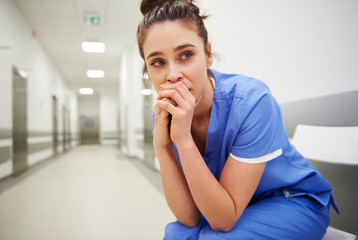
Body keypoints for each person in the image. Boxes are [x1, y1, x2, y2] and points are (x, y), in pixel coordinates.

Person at [136, 0, 338, 239]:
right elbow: (189, 217)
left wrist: (183, 140)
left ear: (208, 54)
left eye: (186, 55)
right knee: (178, 235)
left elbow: (222, 221)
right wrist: (162, 147)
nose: (172, 75)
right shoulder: (164, 116)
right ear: (148, 71)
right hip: (231, 206)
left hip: (290, 201)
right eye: (158, 62)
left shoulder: (251, 101)